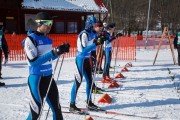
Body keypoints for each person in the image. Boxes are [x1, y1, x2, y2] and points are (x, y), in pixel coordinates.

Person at [24, 12, 70, 120]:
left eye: (51, 23)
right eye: (48, 23)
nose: (50, 25)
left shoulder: (48, 40)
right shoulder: (30, 39)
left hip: (49, 78)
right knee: (36, 112)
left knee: (57, 110)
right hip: (37, 79)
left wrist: (59, 52)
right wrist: (53, 53)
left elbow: (49, 58)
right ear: (39, 23)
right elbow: (34, 62)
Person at [70, 16, 106, 113]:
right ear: (89, 24)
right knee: (78, 81)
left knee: (90, 81)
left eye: (95, 25)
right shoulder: (84, 34)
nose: (95, 27)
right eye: (94, 25)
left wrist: (101, 38)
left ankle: (89, 102)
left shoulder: (92, 33)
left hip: (87, 59)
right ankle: (72, 105)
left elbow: (97, 38)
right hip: (80, 59)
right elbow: (83, 49)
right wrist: (96, 43)